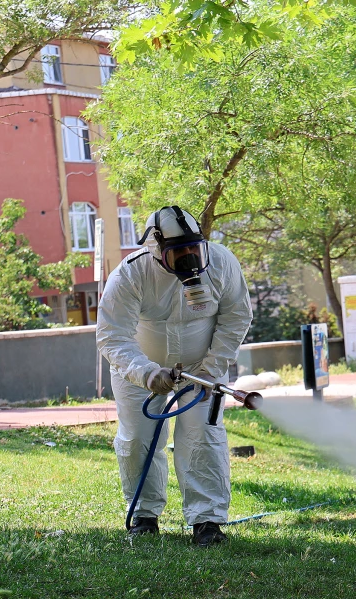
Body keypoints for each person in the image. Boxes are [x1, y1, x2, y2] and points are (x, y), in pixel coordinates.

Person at [96, 206, 253, 547]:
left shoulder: (221, 262)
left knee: (202, 437)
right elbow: (112, 335)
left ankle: (207, 521)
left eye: (193, 249)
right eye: (177, 252)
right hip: (139, 369)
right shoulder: (130, 274)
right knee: (138, 438)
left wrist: (212, 369)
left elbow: (237, 316)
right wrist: (147, 373)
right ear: (155, 248)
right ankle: (144, 515)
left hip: (201, 369)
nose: (189, 259)